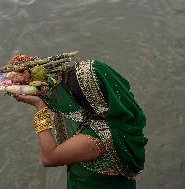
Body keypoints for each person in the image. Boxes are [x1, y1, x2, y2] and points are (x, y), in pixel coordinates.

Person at [11, 57, 148, 189]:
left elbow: (48, 158)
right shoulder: (117, 117)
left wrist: (40, 107)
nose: (67, 97)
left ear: (87, 100)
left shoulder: (98, 137)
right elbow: (57, 86)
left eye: (72, 95)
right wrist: (29, 71)